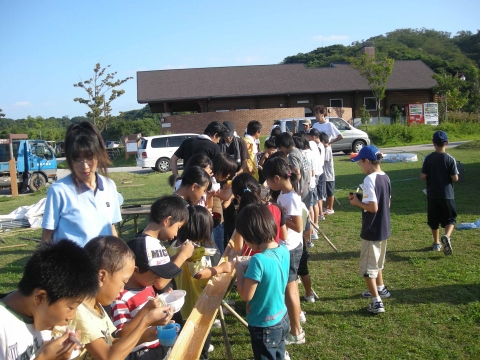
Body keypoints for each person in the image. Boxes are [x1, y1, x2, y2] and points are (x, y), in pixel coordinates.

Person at [71, 236, 174, 360]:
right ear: (102, 277)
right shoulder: (80, 312)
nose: (122, 289)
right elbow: (109, 356)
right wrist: (145, 322)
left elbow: (112, 342)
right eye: (123, 282)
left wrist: (143, 336)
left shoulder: (96, 306)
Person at [0, 240, 98, 360]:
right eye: (71, 307)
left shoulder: (40, 317)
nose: (71, 317)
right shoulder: (3, 326)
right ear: (39, 297)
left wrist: (58, 354)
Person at [168, 205, 233, 359]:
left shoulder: (176, 245)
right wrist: (221, 268)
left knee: (184, 344)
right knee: (199, 345)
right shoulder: (193, 249)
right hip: (196, 305)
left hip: (182, 305)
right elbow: (198, 273)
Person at [110, 233, 189, 360]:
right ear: (135, 270)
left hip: (159, 345)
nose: (159, 278)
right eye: (155, 273)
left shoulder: (147, 286)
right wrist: (146, 310)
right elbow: (122, 334)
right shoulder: (120, 297)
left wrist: (164, 300)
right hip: (140, 353)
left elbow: (152, 314)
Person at [42, 121, 122, 246]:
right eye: (77, 160)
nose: (84, 166)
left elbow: (111, 226)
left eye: (90, 158)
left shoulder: (109, 185)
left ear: (99, 155)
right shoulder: (59, 190)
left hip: (102, 263)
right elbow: (47, 235)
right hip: (72, 263)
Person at [235, 204, 290, 360]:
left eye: (245, 239)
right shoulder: (283, 250)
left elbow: (246, 295)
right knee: (278, 352)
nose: (246, 244)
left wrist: (239, 269)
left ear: (252, 235)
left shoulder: (258, 260)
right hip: (282, 317)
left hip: (264, 325)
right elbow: (269, 269)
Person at [262, 157, 305, 344]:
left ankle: (296, 332)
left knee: (290, 290)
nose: (268, 184)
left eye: (269, 180)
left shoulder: (291, 197)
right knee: (290, 289)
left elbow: (298, 226)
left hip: (291, 249)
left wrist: (278, 213)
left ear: (277, 178)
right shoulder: (283, 195)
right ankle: (298, 319)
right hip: (288, 247)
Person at [350, 145, 391, 314]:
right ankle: (381, 288)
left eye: (360, 162)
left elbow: (373, 207)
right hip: (383, 227)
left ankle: (376, 302)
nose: (360, 166)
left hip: (372, 229)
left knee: (368, 269)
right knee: (377, 264)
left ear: (367, 161)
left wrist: (356, 202)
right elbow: (386, 203)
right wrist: (363, 199)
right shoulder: (385, 177)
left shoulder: (369, 179)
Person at [420, 131, 459, 255]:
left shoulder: (428, 158)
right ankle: (446, 236)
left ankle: (436, 243)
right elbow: (455, 178)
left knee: (434, 220)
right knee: (450, 219)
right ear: (446, 143)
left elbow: (422, 176)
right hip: (447, 195)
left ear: (433, 144)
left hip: (432, 195)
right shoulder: (450, 159)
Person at [231, 173, 287, 255]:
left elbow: (238, 248)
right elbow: (284, 236)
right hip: (274, 256)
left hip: (252, 262)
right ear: (258, 190)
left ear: (238, 198)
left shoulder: (243, 216)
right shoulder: (276, 207)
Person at [308, 128, 326, 221]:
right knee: (318, 195)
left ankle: (320, 214)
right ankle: (320, 214)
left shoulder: (315, 145)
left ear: (313, 137)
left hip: (317, 172)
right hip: (320, 170)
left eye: (309, 136)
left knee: (317, 196)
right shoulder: (320, 145)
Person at [320, 132, 336, 215]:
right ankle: (327, 207)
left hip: (329, 175)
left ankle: (331, 208)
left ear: (322, 141)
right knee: (327, 191)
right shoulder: (325, 149)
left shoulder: (327, 149)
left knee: (330, 192)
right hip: (326, 175)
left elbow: (324, 161)